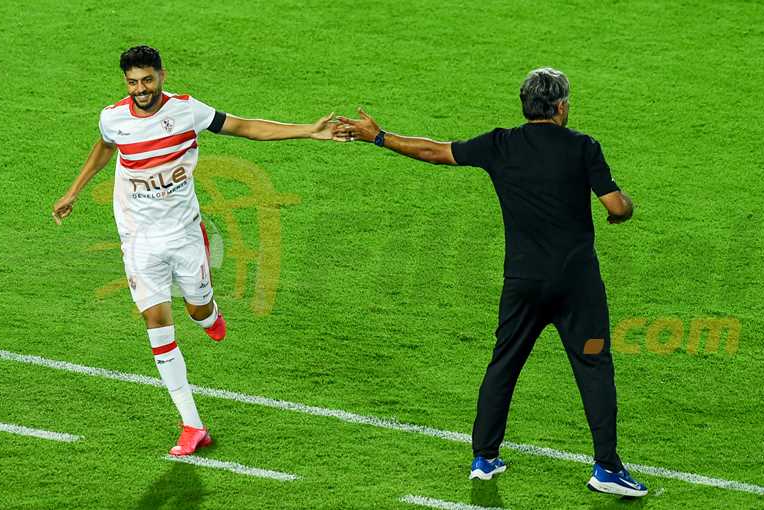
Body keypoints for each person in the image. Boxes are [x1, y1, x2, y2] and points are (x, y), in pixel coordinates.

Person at [335, 68, 647, 497]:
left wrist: (379, 136)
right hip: (578, 287)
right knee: (594, 364)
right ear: (560, 107)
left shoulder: (501, 145)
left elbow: (434, 151)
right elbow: (617, 206)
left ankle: (484, 457)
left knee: (504, 364)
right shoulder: (583, 147)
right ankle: (607, 468)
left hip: (523, 283)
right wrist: (624, 208)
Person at [53, 45, 339, 456]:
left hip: (185, 234)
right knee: (156, 324)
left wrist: (308, 130)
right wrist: (73, 192)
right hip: (138, 239)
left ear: (162, 76)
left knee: (199, 310)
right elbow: (105, 146)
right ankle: (192, 424)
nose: (140, 89)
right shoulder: (113, 118)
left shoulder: (187, 111)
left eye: (147, 80)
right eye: (132, 82)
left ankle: (209, 313)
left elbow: (245, 127)